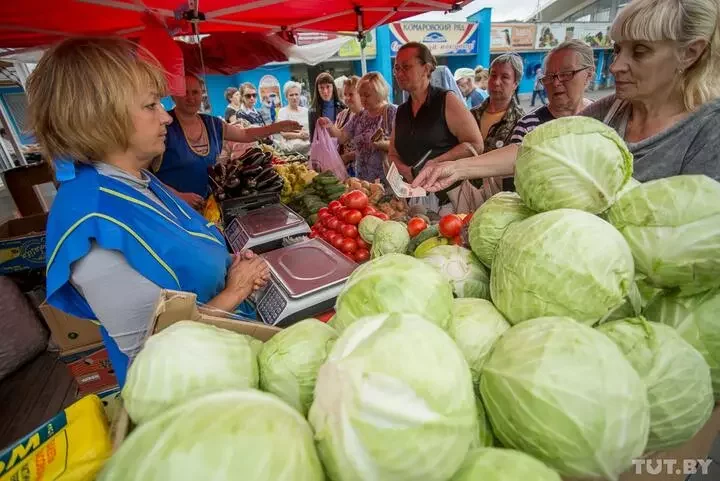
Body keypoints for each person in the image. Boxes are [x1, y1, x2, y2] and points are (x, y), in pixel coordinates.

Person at [27, 37, 272, 387]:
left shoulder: (134, 179)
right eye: (150, 105)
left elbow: (174, 249)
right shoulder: (91, 221)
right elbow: (153, 352)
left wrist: (229, 262)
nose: (165, 117)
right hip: (191, 388)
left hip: (223, 358)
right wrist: (235, 290)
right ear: (101, 116)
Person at [412, 40, 597, 194]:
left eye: (566, 74)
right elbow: (519, 157)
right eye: (549, 76)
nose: (556, 83)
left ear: (589, 75)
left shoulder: (604, 120)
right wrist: (452, 166)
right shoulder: (528, 125)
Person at [581, 0, 720, 182]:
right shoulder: (609, 110)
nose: (615, 67)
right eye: (617, 50)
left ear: (689, 53)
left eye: (639, 51)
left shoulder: (710, 132)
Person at [152, 74, 301, 208]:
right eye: (185, 92)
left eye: (195, 92)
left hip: (210, 205)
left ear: (202, 94)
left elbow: (245, 134)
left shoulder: (212, 123)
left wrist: (278, 127)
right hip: (173, 208)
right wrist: (178, 196)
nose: (191, 98)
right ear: (174, 95)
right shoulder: (162, 126)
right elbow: (144, 172)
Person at [389, 42, 484, 214]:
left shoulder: (446, 100)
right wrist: (405, 170)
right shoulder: (401, 111)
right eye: (396, 68)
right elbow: (393, 153)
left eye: (406, 67)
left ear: (426, 69)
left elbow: (475, 144)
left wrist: (436, 163)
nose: (399, 73)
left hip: (450, 200)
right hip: (414, 199)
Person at [319, 72, 397, 182]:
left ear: (379, 92)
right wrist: (329, 125)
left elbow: (403, 145)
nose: (363, 99)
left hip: (386, 179)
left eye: (367, 95)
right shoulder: (360, 115)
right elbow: (342, 137)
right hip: (362, 179)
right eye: (361, 95)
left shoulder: (391, 112)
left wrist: (382, 144)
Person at [470, 54, 525, 154]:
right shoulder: (471, 114)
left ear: (515, 84)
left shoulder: (521, 122)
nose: (496, 82)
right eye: (493, 75)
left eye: (505, 77)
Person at [335, 76, 363, 176]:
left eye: (351, 94)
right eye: (345, 94)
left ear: (361, 94)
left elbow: (371, 147)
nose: (347, 98)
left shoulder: (369, 116)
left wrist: (347, 157)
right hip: (344, 169)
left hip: (363, 168)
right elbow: (337, 139)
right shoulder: (342, 115)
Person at [277, 81, 311, 154]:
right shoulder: (282, 112)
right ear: (286, 97)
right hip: (292, 152)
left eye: (296, 94)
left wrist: (308, 134)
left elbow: (311, 129)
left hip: (309, 150)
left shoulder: (306, 111)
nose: (294, 97)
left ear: (300, 95)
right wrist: (299, 135)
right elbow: (283, 133)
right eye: (291, 95)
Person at [308, 72, 344, 141]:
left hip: (341, 148)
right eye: (321, 88)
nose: (325, 91)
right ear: (317, 90)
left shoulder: (343, 107)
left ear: (333, 87)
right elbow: (312, 139)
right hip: (323, 149)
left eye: (328, 86)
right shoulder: (312, 111)